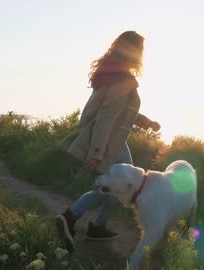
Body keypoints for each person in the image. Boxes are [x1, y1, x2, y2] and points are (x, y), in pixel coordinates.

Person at [55, 31, 160, 250]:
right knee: (110, 188)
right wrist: (95, 154)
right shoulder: (122, 80)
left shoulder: (112, 75)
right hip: (106, 144)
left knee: (118, 188)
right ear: (133, 52)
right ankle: (70, 217)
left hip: (113, 142)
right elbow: (105, 119)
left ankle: (97, 226)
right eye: (140, 50)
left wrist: (146, 122)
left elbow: (121, 111)